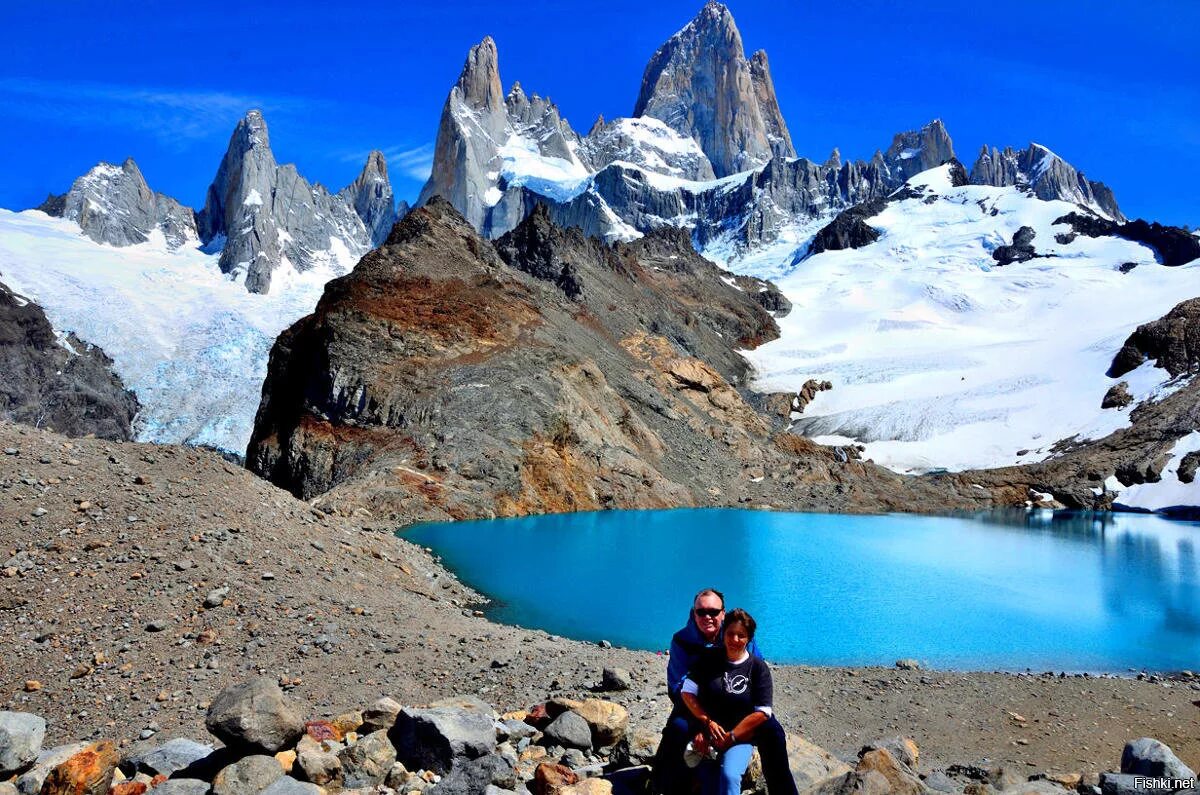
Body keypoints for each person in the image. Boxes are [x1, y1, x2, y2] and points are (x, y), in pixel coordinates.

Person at [652, 589, 796, 795]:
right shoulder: (682, 641)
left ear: (722, 613)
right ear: (694, 613)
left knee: (773, 733)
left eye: (713, 611)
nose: (707, 617)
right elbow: (678, 689)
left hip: (739, 708)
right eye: (701, 612)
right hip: (698, 709)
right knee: (677, 729)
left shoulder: (736, 632)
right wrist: (703, 724)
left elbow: (756, 673)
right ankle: (663, 786)